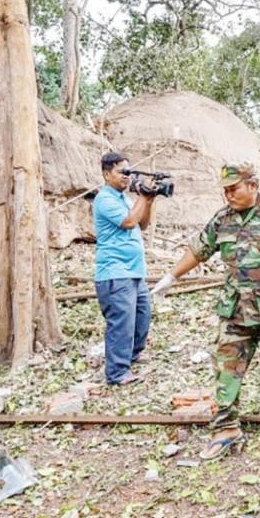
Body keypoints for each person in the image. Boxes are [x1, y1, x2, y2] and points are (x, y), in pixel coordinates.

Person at [151, 163, 260, 460]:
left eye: (234, 189)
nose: (228, 195)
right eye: (225, 190)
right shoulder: (222, 219)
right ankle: (226, 427)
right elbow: (198, 250)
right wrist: (171, 277)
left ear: (253, 185)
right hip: (235, 309)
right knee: (226, 367)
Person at [93, 152, 157, 386]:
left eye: (129, 172)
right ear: (106, 173)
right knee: (121, 323)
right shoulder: (105, 199)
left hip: (134, 271)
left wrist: (148, 200)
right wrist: (142, 195)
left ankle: (132, 356)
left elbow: (142, 223)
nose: (127, 177)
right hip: (115, 272)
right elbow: (129, 222)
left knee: (142, 317)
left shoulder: (124, 199)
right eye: (122, 172)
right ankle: (117, 373)